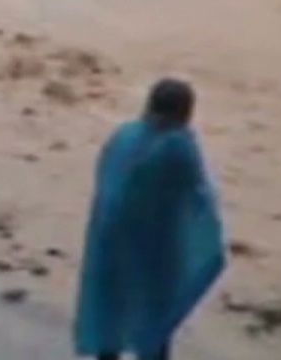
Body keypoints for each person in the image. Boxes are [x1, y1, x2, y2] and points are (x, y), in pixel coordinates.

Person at [74, 79, 227, 360]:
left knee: (111, 309)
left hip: (111, 240)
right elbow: (195, 196)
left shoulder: (124, 135)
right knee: (155, 317)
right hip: (156, 248)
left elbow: (106, 181)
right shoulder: (178, 148)